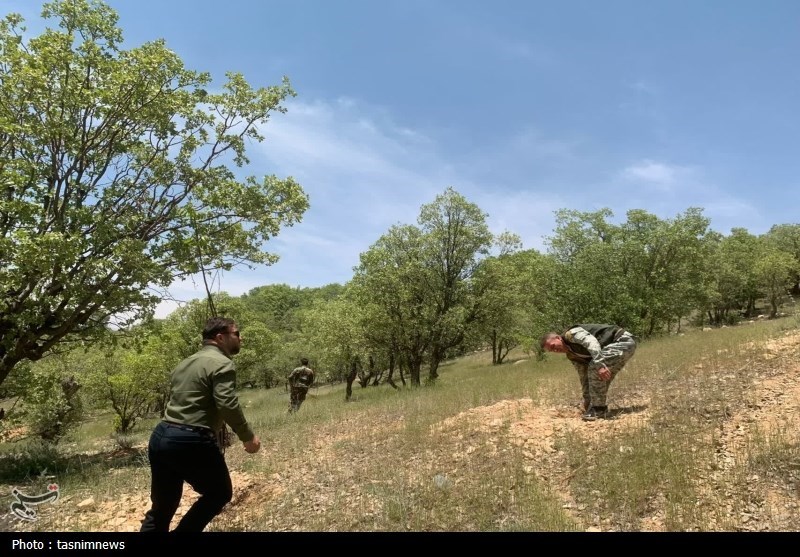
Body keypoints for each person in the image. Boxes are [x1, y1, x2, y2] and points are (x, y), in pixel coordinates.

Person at [140, 317, 261, 532]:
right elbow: (227, 403)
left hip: (161, 435)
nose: (240, 338)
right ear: (220, 337)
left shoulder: (185, 363)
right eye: (236, 333)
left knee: (163, 507)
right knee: (219, 493)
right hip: (191, 439)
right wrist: (247, 436)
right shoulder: (222, 363)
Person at [541, 323, 636, 421]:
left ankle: (598, 409)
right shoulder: (572, 355)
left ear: (558, 338)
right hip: (619, 347)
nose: (555, 350)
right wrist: (587, 400)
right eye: (551, 350)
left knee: (595, 367)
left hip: (622, 341)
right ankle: (596, 407)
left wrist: (599, 364)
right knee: (601, 378)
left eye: (553, 346)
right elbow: (584, 376)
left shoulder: (571, 334)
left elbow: (592, 343)